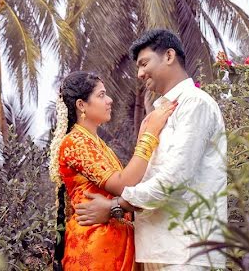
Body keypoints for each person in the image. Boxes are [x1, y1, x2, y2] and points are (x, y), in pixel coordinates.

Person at [75, 29, 228, 270]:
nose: (140, 73)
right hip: (156, 250)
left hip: (186, 251)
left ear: (169, 56)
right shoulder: (159, 114)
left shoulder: (195, 103)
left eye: (144, 63)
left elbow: (174, 180)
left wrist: (115, 207)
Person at [49, 70, 178, 271]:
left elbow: (130, 182)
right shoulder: (74, 142)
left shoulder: (96, 143)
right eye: (101, 95)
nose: (109, 100)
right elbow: (123, 184)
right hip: (94, 247)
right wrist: (150, 135)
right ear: (81, 105)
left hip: (112, 242)